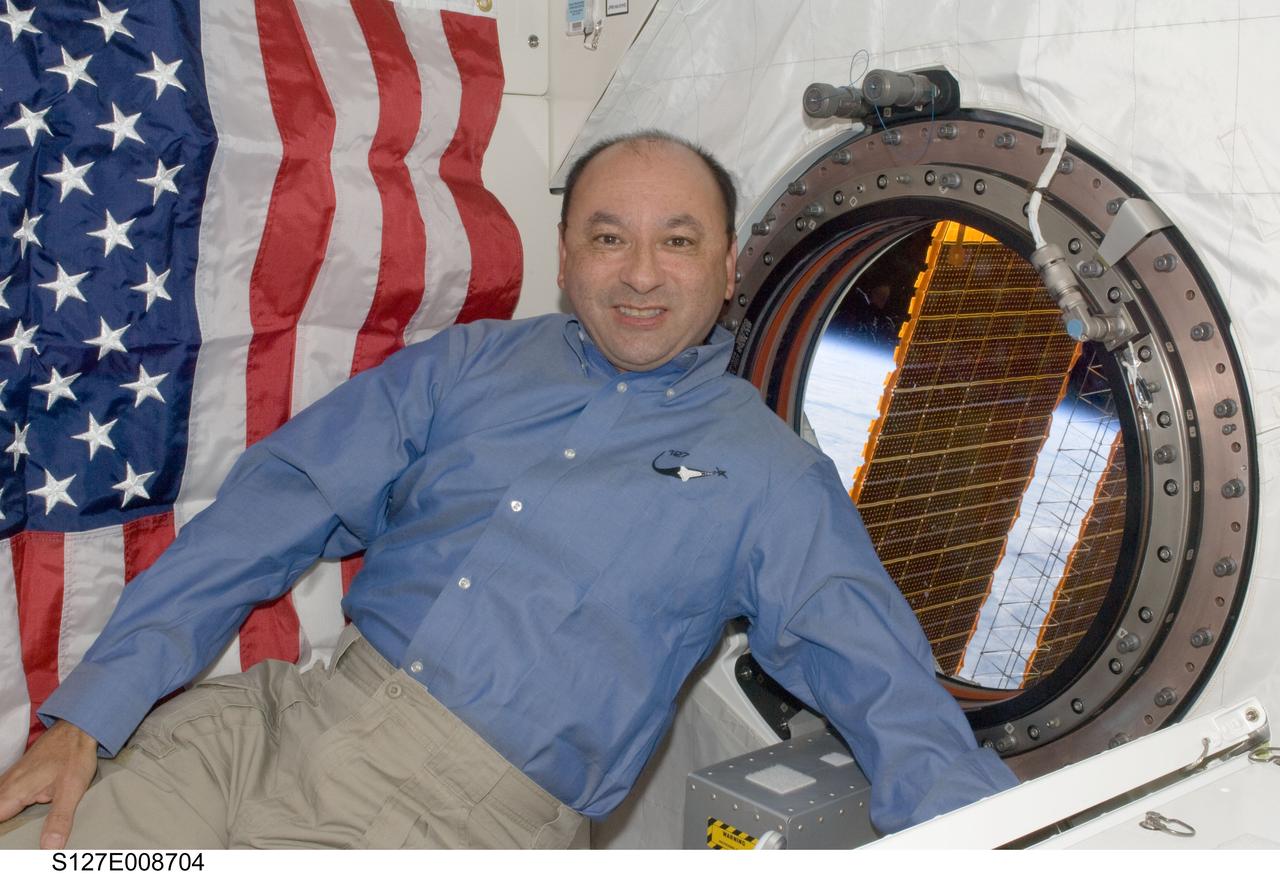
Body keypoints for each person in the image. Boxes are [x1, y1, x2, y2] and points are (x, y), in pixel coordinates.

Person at [0, 132, 1017, 850]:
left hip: (455, 818)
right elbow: (276, 501)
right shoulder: (471, 366)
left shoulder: (770, 479)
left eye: (678, 239)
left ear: (728, 265)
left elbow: (885, 690)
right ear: (567, 255)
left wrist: (1005, 843)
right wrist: (91, 712)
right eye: (608, 236)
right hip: (270, 722)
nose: (640, 275)